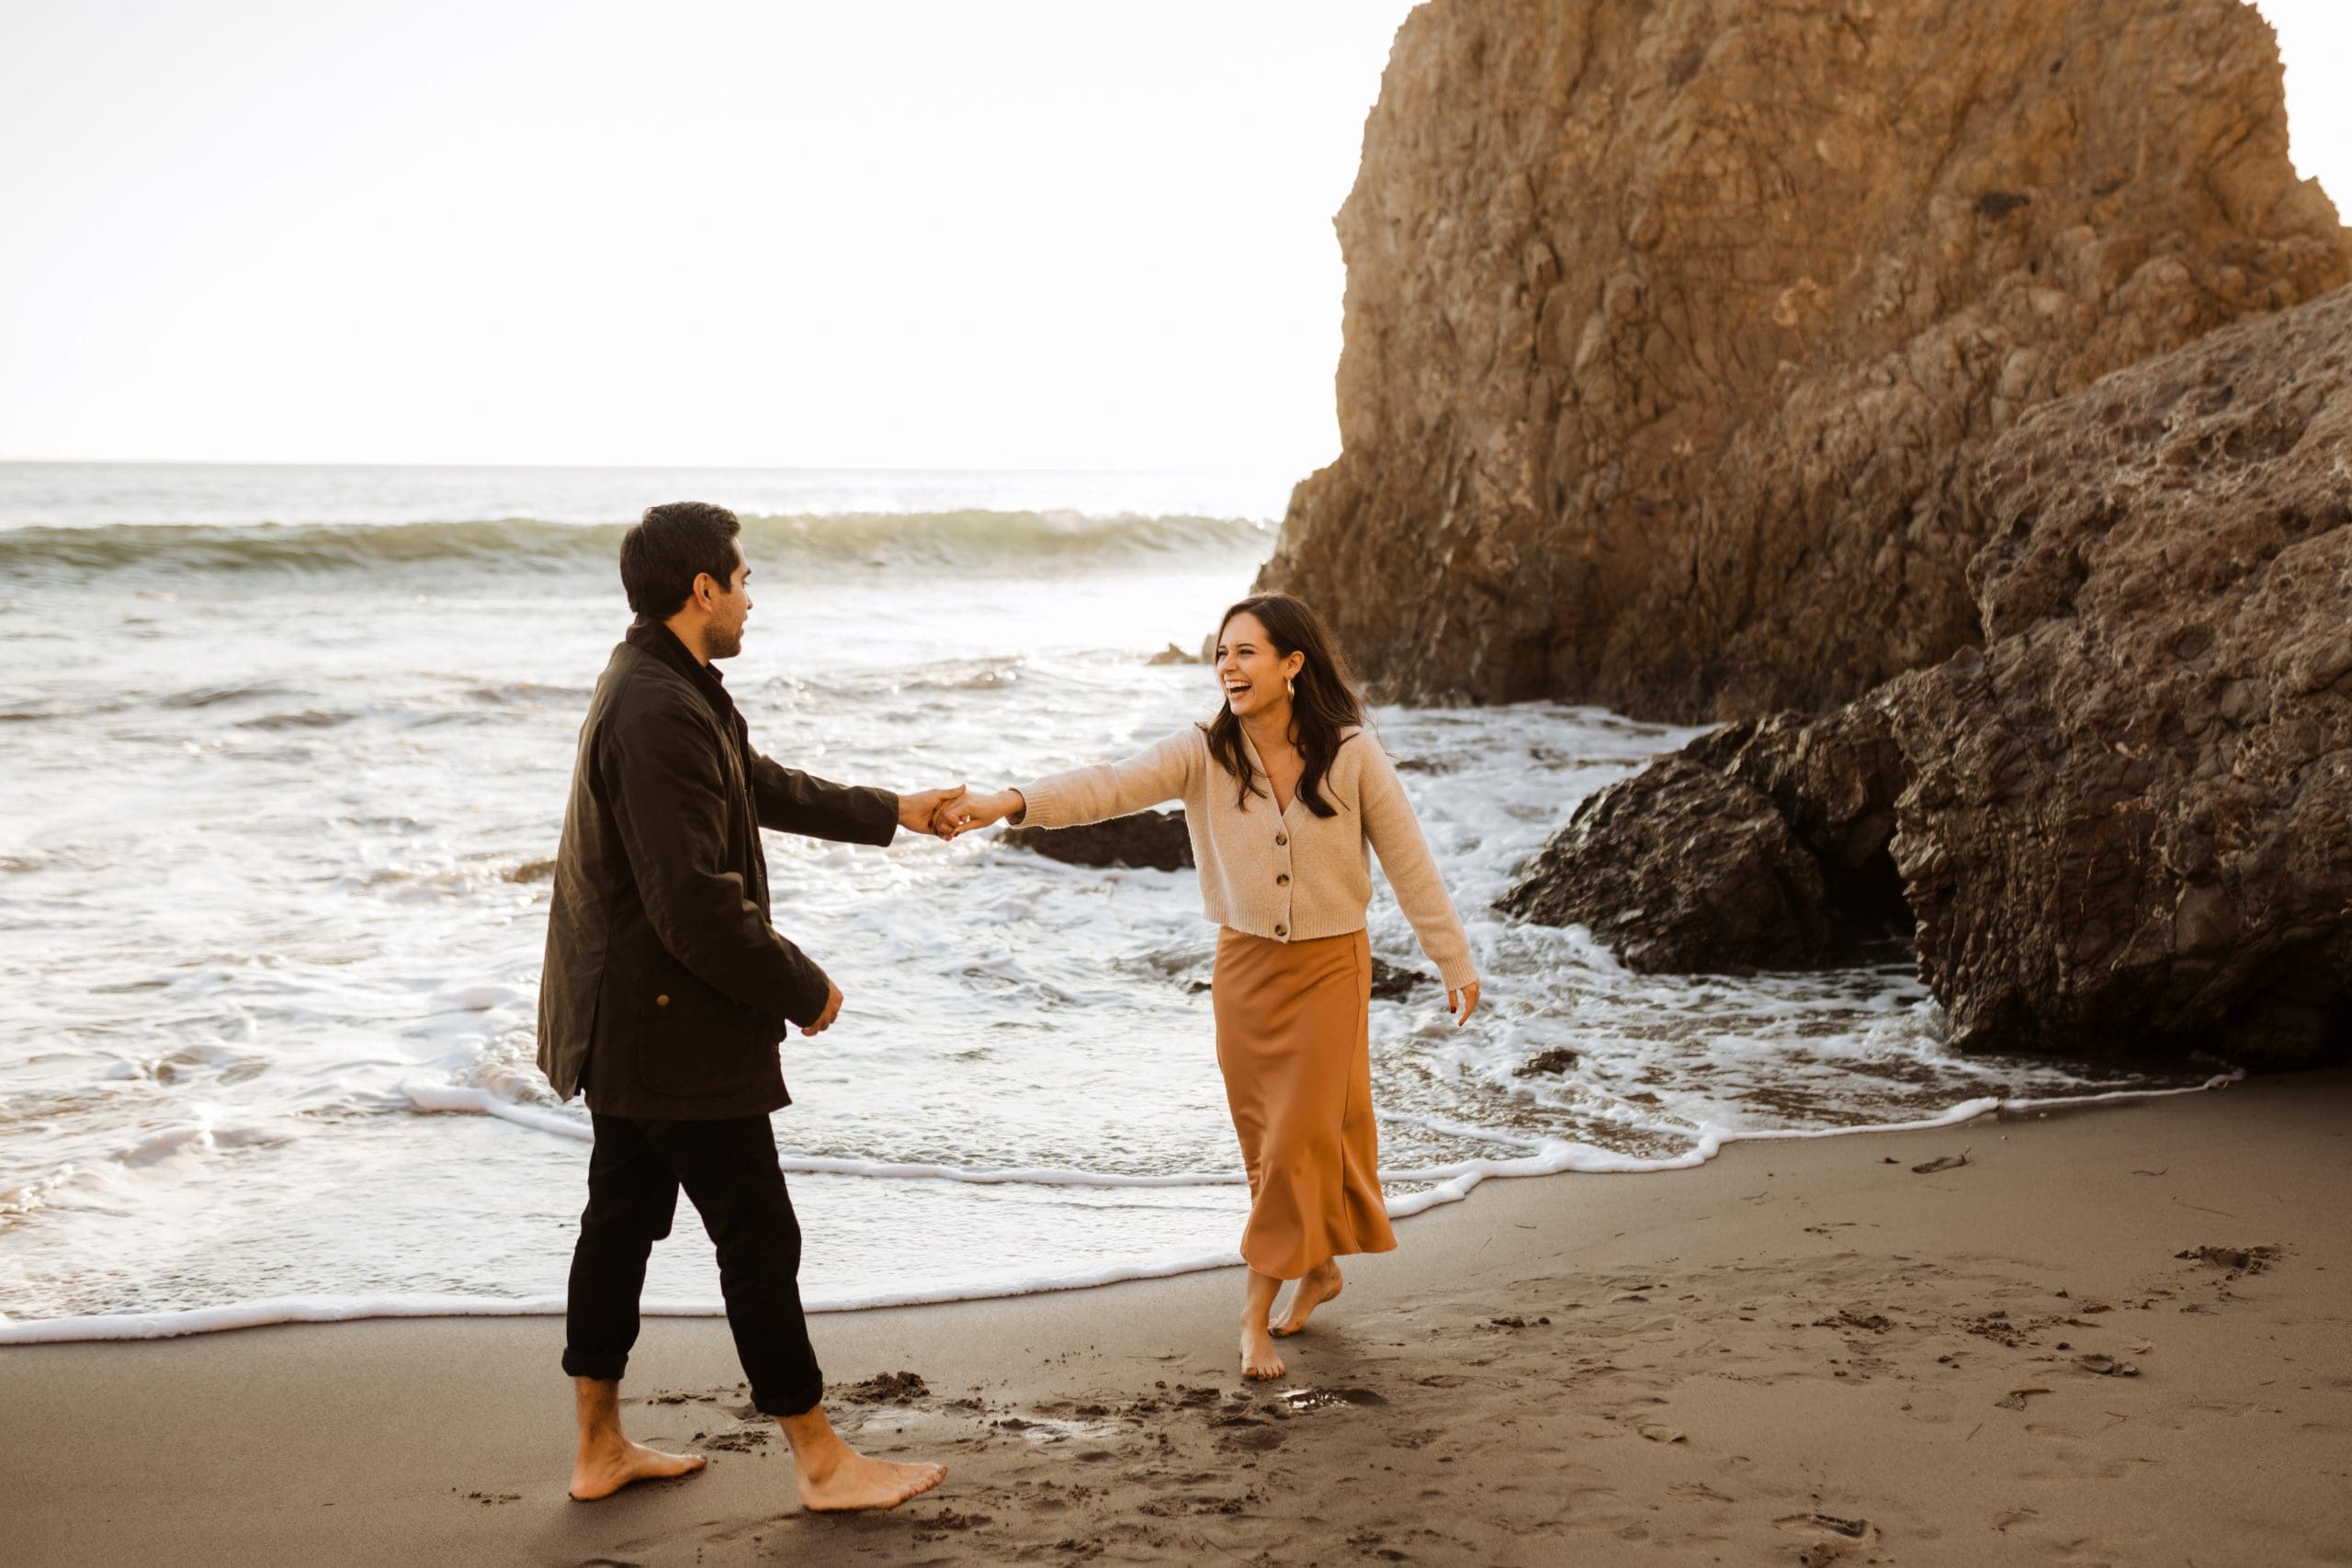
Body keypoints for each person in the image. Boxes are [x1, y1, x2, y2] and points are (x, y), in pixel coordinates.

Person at [537, 501, 958, 1509]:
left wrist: (890, 812)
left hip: (632, 1018)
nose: (751, 599)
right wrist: (802, 985)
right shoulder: (655, 706)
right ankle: (821, 1462)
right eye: (743, 579)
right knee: (757, 1237)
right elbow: (693, 904)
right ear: (703, 591)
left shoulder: (663, 683)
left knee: (621, 1221)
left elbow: (750, 783)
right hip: (670, 1022)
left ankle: (599, 1448)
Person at [945, 592, 1481, 1381]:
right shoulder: (1203, 750)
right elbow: (1110, 785)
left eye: (1246, 652)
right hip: (1245, 970)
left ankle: (1252, 1315)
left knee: (1301, 1136)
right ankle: (1319, 1268)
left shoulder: (1353, 751)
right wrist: (1010, 803)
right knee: (1268, 1149)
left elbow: (1408, 860)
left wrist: (1453, 959)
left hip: (1333, 967)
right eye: (1221, 654)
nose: (1228, 667)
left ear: (1292, 664)